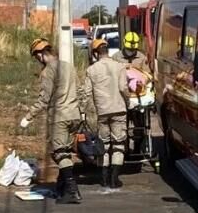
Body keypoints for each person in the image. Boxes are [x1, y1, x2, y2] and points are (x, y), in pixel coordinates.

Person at [21, 38, 83, 204]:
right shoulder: (69, 66)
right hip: (75, 115)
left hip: (60, 117)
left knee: (59, 153)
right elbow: (80, 90)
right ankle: (62, 187)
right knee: (66, 151)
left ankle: (72, 190)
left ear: (40, 54)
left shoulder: (48, 71)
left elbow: (44, 100)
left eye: (36, 57)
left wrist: (28, 117)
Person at [85, 39, 129, 189]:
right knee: (118, 144)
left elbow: (86, 93)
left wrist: (83, 111)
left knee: (103, 144)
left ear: (96, 53)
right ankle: (114, 179)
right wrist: (128, 102)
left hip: (102, 111)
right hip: (119, 109)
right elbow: (123, 88)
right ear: (107, 51)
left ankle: (103, 178)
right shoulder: (120, 67)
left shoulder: (91, 70)